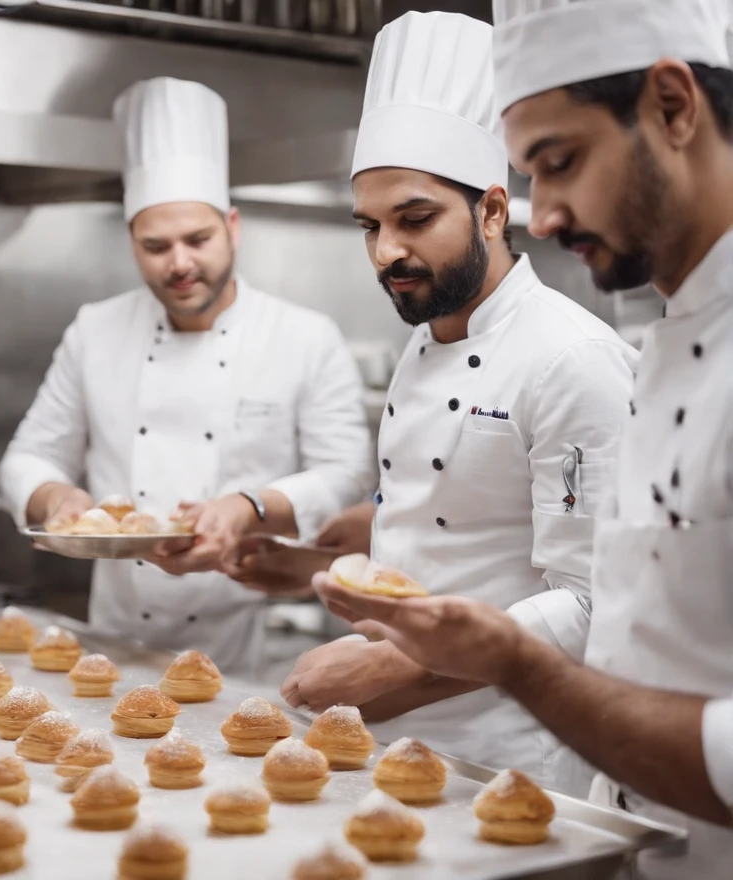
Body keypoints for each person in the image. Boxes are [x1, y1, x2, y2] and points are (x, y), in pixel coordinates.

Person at [318, 0, 733, 875]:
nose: (542, 216)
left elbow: (591, 608)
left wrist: (461, 662)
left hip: (548, 779)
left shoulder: (582, 355)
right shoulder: (671, 349)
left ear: (673, 107)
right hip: (633, 830)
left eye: (561, 162)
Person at [234, 11, 638, 792]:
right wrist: (317, 570)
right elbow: (449, 540)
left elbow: (591, 604)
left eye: (415, 219)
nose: (387, 252)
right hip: (391, 746)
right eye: (370, 227)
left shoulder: (571, 360)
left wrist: (389, 663)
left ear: (492, 210)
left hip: (513, 763)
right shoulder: (424, 341)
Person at [0, 77, 374, 677]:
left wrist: (250, 507)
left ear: (233, 226)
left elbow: (347, 470)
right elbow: (26, 457)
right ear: (132, 243)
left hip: (245, 654)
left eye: (198, 239)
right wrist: (58, 499)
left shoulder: (303, 335)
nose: (179, 264)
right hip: (112, 647)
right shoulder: (95, 330)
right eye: (156, 245)